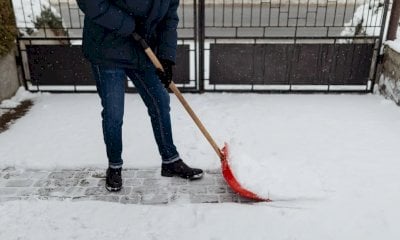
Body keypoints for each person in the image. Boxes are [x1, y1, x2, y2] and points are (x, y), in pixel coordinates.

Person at [77, 0, 203, 192]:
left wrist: (167, 58)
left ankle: (170, 159)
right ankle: (115, 166)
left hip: (141, 50)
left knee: (160, 101)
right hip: (107, 49)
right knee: (114, 112)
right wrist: (128, 25)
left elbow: (169, 19)